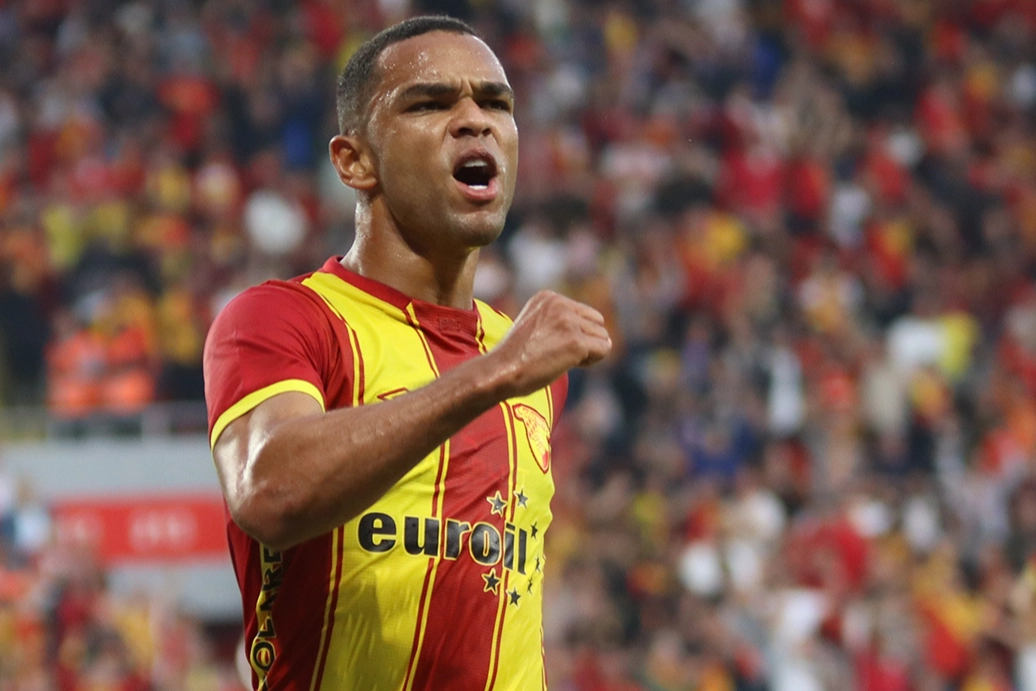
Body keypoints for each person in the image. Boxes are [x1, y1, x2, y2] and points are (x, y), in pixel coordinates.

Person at [203, 15, 612, 691]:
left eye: (496, 103)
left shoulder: (532, 368)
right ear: (354, 162)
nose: (475, 120)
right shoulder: (285, 320)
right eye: (429, 103)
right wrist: (492, 374)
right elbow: (270, 491)